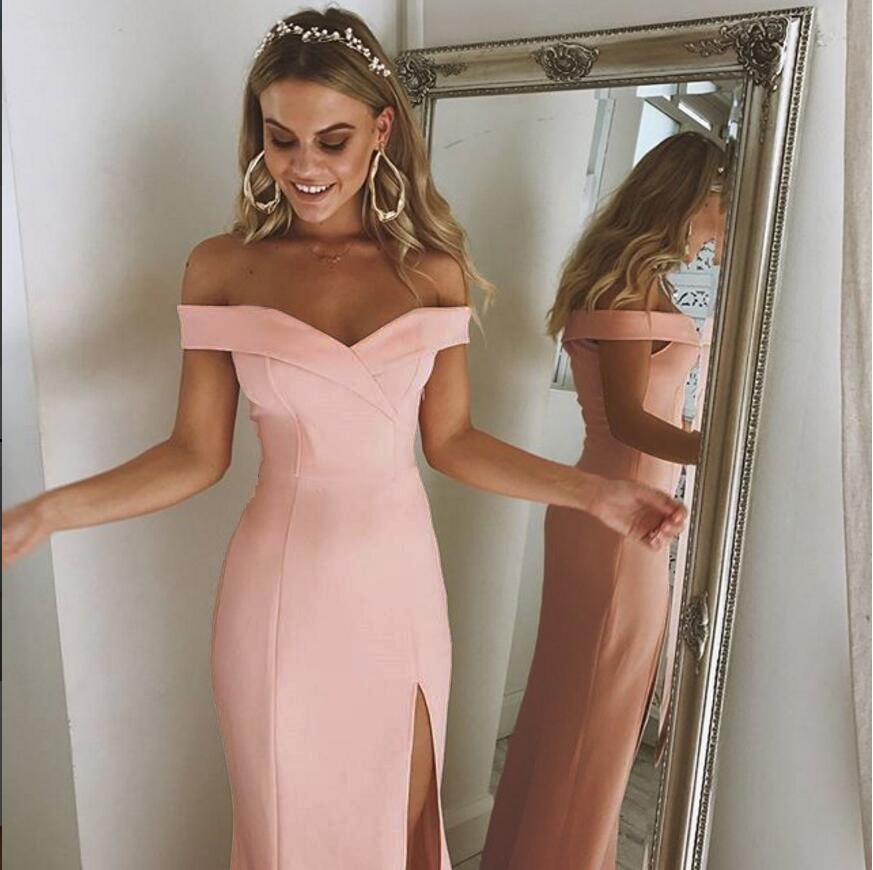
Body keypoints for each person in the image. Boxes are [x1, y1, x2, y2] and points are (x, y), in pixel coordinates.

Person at [1, 9, 688, 869]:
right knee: (286, 827)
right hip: (277, 589)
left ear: (380, 130)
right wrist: (45, 513)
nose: (303, 166)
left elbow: (453, 441)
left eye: (331, 140)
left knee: (401, 823)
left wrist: (597, 493)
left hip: (397, 582)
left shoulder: (431, 271)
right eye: (281, 139)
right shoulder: (221, 266)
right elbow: (194, 454)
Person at [480, 131, 727, 870]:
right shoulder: (630, 288)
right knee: (595, 724)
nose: (730, 217)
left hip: (612, 517)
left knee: (570, 715)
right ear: (695, 197)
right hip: (622, 524)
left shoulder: (646, 281)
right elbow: (629, 422)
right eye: (727, 200)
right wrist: (725, 451)